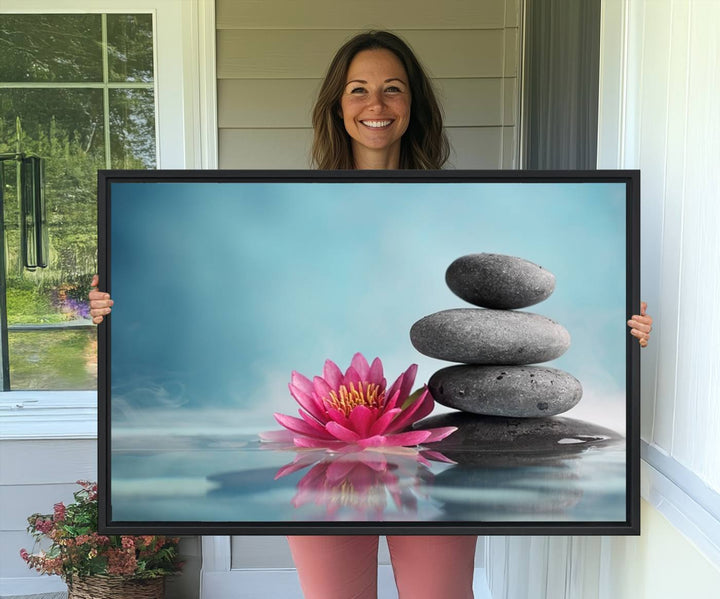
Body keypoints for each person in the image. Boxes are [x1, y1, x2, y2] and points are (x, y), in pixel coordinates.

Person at [89, 30, 653, 599]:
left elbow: (522, 309)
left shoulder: (465, 198)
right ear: (338, 105)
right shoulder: (286, 200)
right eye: (358, 90)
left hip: (435, 437)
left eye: (393, 89)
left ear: (413, 105)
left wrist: (627, 329)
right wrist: (112, 309)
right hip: (318, 442)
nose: (376, 105)